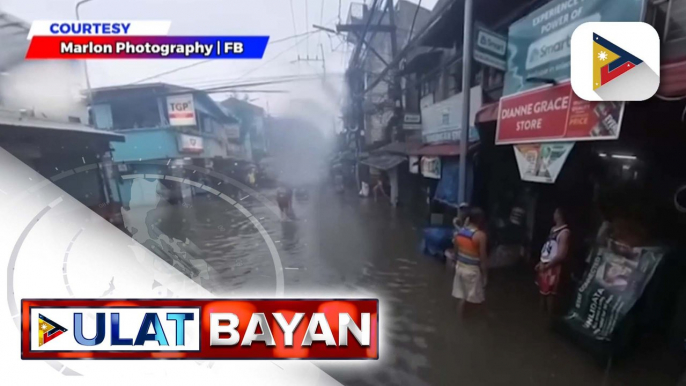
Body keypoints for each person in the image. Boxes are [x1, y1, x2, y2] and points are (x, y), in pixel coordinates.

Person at [452, 207, 489, 317]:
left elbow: (455, 253)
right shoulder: (480, 236)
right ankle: (467, 322)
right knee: (472, 299)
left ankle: (463, 321)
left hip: (460, 268)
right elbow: (483, 258)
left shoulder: (460, 233)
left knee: (466, 297)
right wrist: (485, 275)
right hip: (472, 271)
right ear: (480, 220)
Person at [535, 207, 571, 316]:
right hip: (545, 264)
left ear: (559, 215)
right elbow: (548, 248)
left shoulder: (564, 233)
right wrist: (541, 262)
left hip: (553, 267)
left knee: (551, 294)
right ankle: (541, 315)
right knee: (542, 291)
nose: (553, 214)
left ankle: (550, 318)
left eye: (555, 212)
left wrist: (548, 265)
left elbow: (561, 255)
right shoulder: (553, 229)